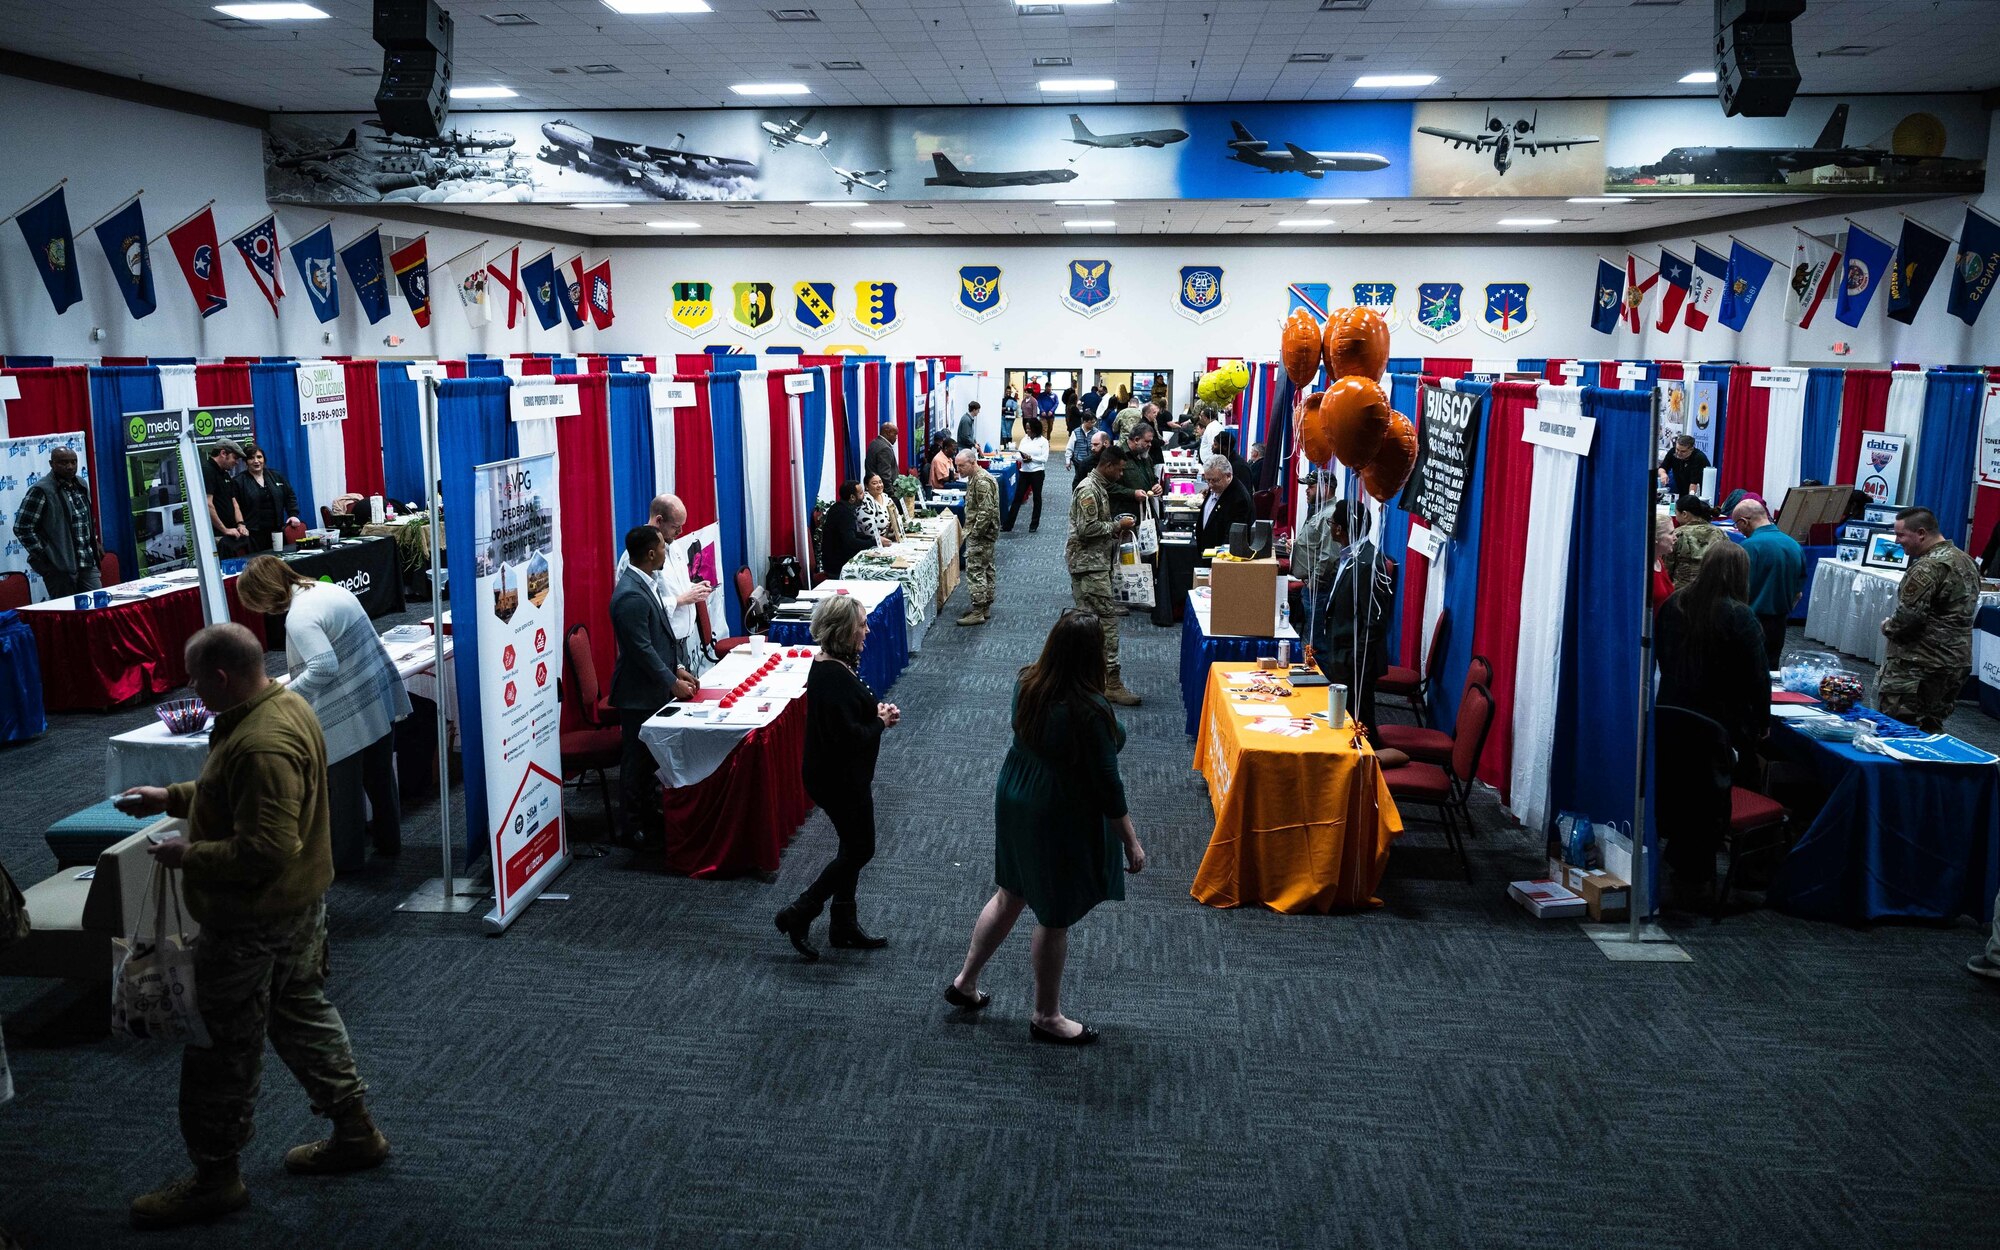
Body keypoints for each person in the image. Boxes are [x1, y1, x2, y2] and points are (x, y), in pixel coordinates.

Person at [118, 623, 387, 1231]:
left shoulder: (262, 740)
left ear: (220, 676)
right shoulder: (282, 704)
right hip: (294, 913)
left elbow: (267, 847)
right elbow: (230, 792)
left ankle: (215, 1176)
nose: (188, 688)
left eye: (194, 678)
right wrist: (173, 797)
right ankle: (355, 1132)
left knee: (219, 1052)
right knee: (302, 1017)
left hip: (252, 923)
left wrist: (191, 856)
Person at [943, 610, 1146, 1044]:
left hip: (1015, 792)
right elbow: (1109, 787)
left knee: (1010, 894)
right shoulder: (1091, 710)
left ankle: (965, 981)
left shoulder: (1027, 682)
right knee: (1053, 916)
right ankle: (1045, 1015)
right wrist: (1131, 842)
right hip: (1055, 809)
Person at [235, 557, 410, 863]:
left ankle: (346, 861)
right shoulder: (326, 590)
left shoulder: (300, 616)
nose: (260, 612)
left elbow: (324, 666)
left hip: (347, 710)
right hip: (374, 694)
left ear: (264, 592)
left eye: (256, 603)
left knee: (344, 791)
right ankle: (389, 843)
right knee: (380, 778)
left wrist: (283, 694)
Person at [775, 593, 900, 959]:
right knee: (862, 848)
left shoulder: (834, 665)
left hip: (840, 774)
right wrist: (880, 721)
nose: (867, 629)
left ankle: (842, 925)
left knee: (852, 848)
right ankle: (800, 911)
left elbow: (847, 722)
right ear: (844, 631)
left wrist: (873, 714)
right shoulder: (831, 675)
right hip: (838, 779)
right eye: (861, 624)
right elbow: (851, 738)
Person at [1654, 543, 1770, 903]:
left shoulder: (1676, 603)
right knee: (1745, 775)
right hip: (1720, 726)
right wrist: (1761, 722)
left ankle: (1682, 851)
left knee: (1683, 786)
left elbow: (1660, 653)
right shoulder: (1740, 616)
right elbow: (1757, 677)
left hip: (1672, 716)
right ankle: (1751, 869)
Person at [609, 526, 699, 846]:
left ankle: (649, 815)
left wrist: (677, 667)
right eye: (663, 547)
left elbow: (660, 636)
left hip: (652, 688)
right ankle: (632, 828)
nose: (667, 551)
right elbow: (641, 650)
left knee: (648, 759)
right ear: (650, 554)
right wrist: (672, 682)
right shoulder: (631, 594)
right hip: (637, 694)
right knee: (635, 761)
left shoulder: (648, 583)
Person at [1878, 505, 1980, 733]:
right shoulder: (1966, 561)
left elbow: (1908, 619)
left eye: (1901, 534)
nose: (1896, 541)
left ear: (1921, 533)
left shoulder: (1926, 567)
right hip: (1954, 663)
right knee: (1931, 728)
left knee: (1899, 730)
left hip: (1918, 665)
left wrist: (1887, 627)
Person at [1067, 444, 1142, 707]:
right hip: (1090, 565)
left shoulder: (1097, 487)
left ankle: (1085, 682)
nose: (1121, 475)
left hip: (1093, 562)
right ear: (1108, 465)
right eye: (1119, 470)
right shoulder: (1089, 489)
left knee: (1088, 623)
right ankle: (1112, 683)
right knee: (1105, 623)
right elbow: (1087, 529)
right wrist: (1116, 526)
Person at [1316, 500, 1395, 739]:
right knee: (1344, 721)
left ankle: (1369, 770)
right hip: (1342, 655)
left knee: (1359, 724)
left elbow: (1374, 623)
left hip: (1355, 663)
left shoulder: (1369, 562)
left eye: (1331, 523)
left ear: (1339, 529)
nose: (1330, 527)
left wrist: (1354, 663)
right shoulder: (1349, 557)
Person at [614, 494, 714, 673]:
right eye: (676, 526)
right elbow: (641, 607)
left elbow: (674, 586)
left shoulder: (672, 545)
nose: (681, 532)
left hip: (682, 643)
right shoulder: (638, 557)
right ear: (659, 520)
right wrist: (681, 600)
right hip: (659, 646)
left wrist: (694, 589)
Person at [12, 444, 102, 596]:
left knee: (97, 609)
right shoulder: (41, 490)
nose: (70, 466)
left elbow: (84, 519)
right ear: (51, 464)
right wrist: (46, 556)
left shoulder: (81, 484)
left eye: (73, 462)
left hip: (86, 561)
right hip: (59, 567)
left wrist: (95, 541)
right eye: (63, 462)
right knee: (67, 614)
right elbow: (22, 527)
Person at [1732, 498, 1804, 668]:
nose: (1739, 530)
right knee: (1769, 673)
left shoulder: (1749, 546)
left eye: (1737, 525)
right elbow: (1798, 594)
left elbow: (1735, 590)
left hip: (1749, 622)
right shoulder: (1794, 545)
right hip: (1778, 625)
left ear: (1743, 521)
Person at [957, 450, 1000, 626]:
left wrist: (975, 533)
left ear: (973, 462)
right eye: (957, 465)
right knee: (986, 566)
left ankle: (978, 610)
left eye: (961, 465)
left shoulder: (981, 481)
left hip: (981, 533)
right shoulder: (977, 478)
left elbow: (986, 511)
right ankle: (985, 606)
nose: (958, 469)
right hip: (985, 532)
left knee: (975, 571)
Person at [235, 444, 301, 552]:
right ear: (245, 461)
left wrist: (293, 514)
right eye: (251, 458)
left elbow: (290, 496)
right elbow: (235, 506)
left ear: (264, 459)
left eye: (259, 457)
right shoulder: (238, 481)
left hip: (277, 529)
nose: (256, 461)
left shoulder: (276, 475)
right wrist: (240, 524)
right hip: (254, 533)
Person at [1196, 455, 1255, 551]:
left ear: (1228, 476)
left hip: (1218, 557)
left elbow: (1232, 538)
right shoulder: (1217, 487)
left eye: (1214, 480)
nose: (1210, 485)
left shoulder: (1239, 499)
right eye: (1207, 480)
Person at [1105, 423, 1163, 518]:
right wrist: (1132, 493)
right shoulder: (1116, 455)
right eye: (1147, 441)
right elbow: (1107, 486)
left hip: (1146, 513)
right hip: (1125, 514)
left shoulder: (1146, 456)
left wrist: (1156, 485)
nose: (1150, 445)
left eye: (1151, 442)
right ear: (1136, 440)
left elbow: (1152, 477)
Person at [1667, 494, 1725, 589]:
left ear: (1684, 514)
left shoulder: (1677, 534)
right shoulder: (1719, 533)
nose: (1676, 516)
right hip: (1712, 591)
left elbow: (1667, 568)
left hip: (1682, 593)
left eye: (1676, 513)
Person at [203, 439, 250, 555]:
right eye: (235, 458)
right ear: (223, 453)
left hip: (232, 534)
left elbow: (234, 502)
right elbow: (208, 504)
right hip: (217, 536)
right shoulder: (207, 471)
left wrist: (241, 524)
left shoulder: (225, 474)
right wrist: (224, 529)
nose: (237, 462)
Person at [1004, 415, 1049, 533]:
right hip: (1024, 472)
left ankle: (1034, 524)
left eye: (1029, 428)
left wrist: (1031, 458)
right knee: (1017, 498)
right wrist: (1023, 459)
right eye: (1026, 428)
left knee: (1037, 498)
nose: (1027, 430)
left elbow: (1044, 459)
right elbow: (1019, 454)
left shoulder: (1043, 442)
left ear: (1035, 429)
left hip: (1037, 472)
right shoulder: (1024, 439)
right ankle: (1008, 525)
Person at [819, 481, 873, 579]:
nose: (863, 495)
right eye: (861, 493)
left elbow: (851, 533)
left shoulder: (838, 507)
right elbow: (851, 542)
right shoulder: (845, 513)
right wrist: (873, 542)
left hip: (832, 561)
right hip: (837, 567)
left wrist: (872, 538)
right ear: (852, 497)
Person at [860, 472, 904, 546]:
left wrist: (895, 527)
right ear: (866, 486)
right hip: (874, 543)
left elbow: (897, 517)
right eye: (874, 483)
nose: (879, 485)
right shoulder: (865, 501)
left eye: (880, 482)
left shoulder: (886, 498)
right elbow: (868, 528)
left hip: (892, 538)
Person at [1652, 508, 1677, 609]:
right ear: (1656, 538)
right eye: (1671, 533)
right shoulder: (1642, 571)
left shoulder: (1659, 560)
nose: (1675, 537)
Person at [865, 423, 900, 494]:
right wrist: (891, 493)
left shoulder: (874, 443)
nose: (896, 437)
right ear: (888, 433)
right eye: (895, 434)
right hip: (883, 494)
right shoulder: (885, 448)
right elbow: (885, 475)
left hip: (873, 490)